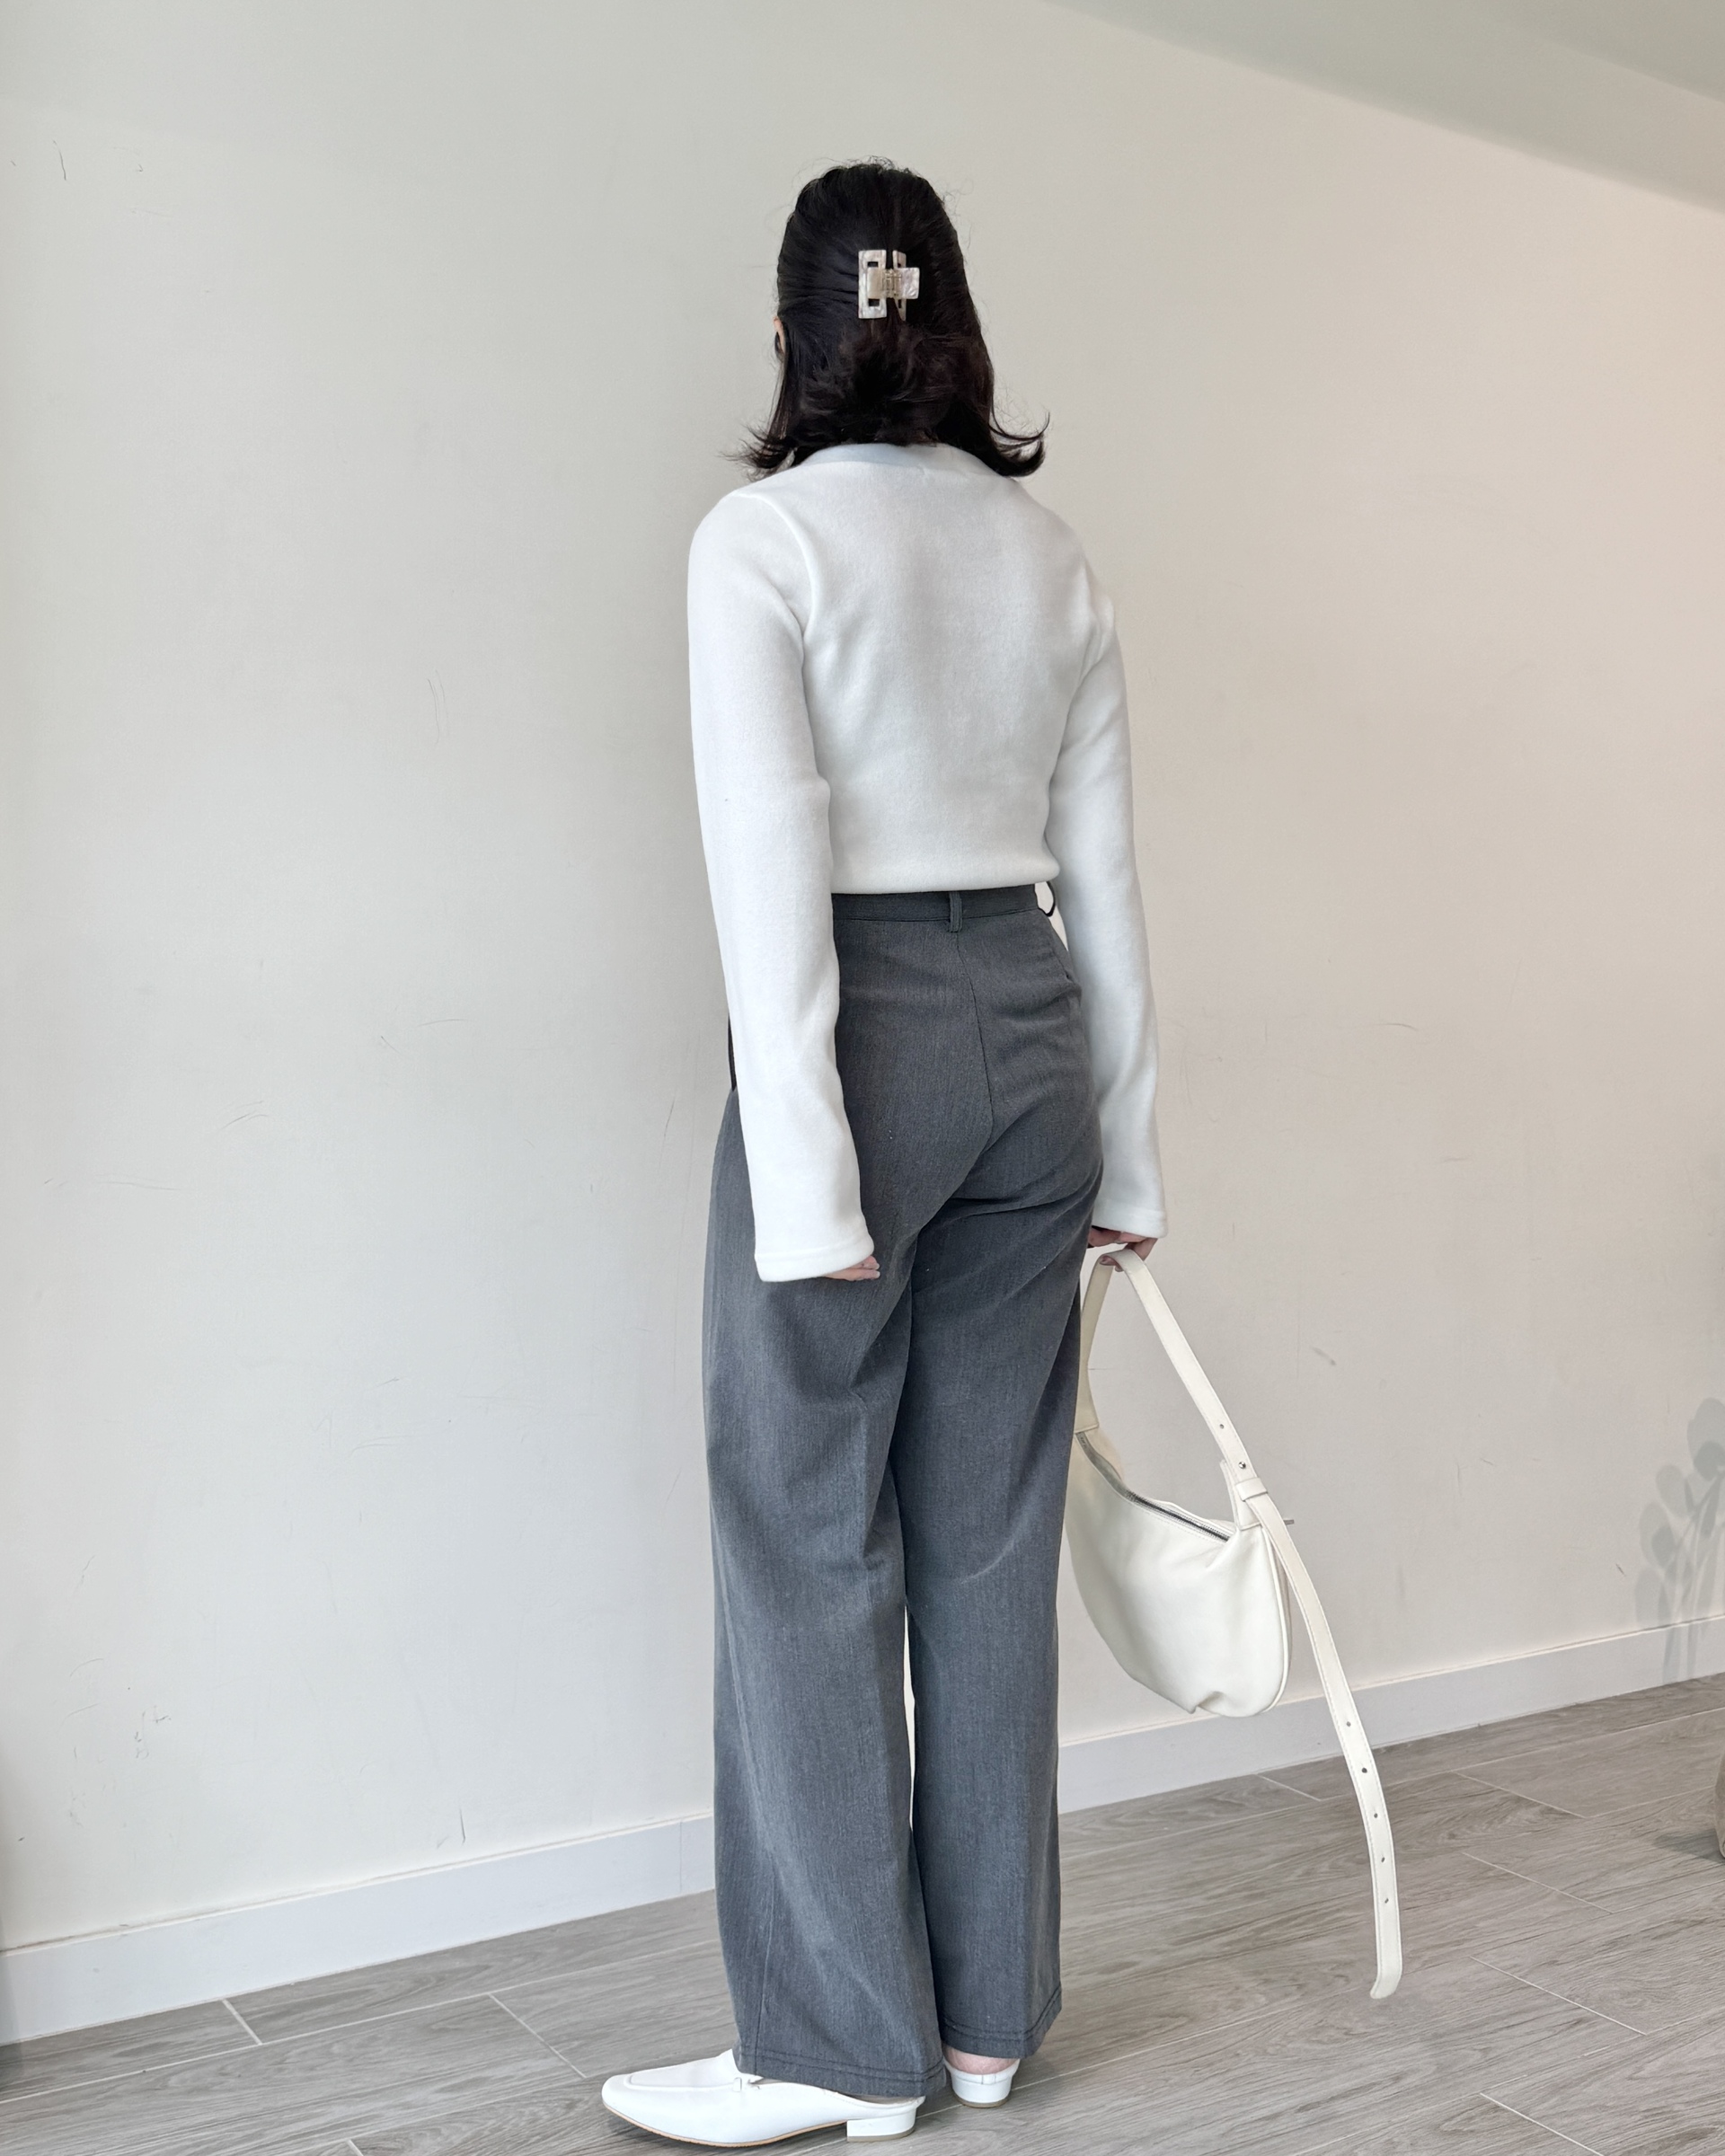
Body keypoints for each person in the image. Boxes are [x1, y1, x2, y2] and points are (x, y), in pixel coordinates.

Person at [602, 162, 1165, 2146]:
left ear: (792, 331)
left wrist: (811, 1177)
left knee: (802, 1527)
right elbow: (1104, 875)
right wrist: (1131, 1159)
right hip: (1031, 1024)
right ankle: (992, 2016)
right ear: (958, 324)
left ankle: (836, 2048)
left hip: (863, 1035)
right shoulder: (1049, 552)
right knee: (988, 1538)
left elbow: (770, 864)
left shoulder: (760, 542)